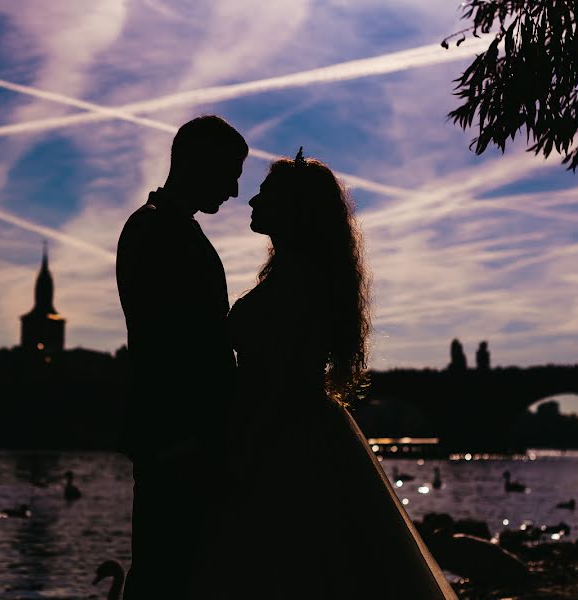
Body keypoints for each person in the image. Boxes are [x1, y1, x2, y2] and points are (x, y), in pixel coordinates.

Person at [194, 149, 456, 599]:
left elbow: (280, 379)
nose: (252, 202)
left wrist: (243, 455)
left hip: (281, 437)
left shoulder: (297, 282)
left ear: (295, 211)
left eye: (265, 195)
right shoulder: (303, 275)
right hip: (298, 429)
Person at [115, 115, 248, 600]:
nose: (235, 190)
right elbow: (173, 347)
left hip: (183, 440)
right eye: (230, 173)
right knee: (165, 574)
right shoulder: (155, 232)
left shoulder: (166, 230)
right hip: (177, 440)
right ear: (198, 163)